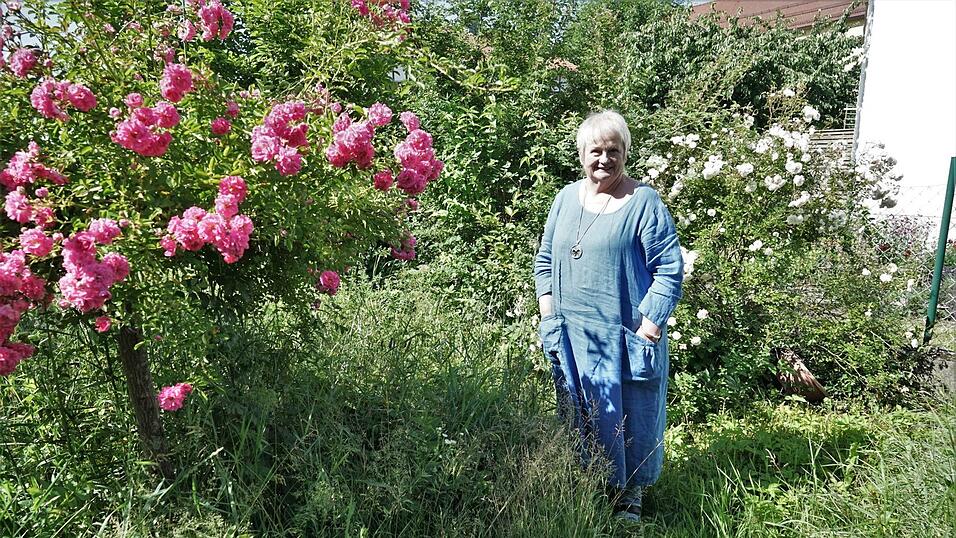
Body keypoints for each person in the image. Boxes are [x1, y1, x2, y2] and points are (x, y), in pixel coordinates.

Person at [533, 110, 683, 522]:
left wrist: (649, 327)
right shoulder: (565, 199)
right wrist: (548, 312)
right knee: (579, 408)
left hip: (623, 334)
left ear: (625, 153)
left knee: (630, 413)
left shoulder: (643, 202)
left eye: (612, 150)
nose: (604, 158)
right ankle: (584, 481)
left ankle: (628, 496)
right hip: (571, 334)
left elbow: (670, 268)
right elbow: (545, 258)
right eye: (595, 150)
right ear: (582, 154)